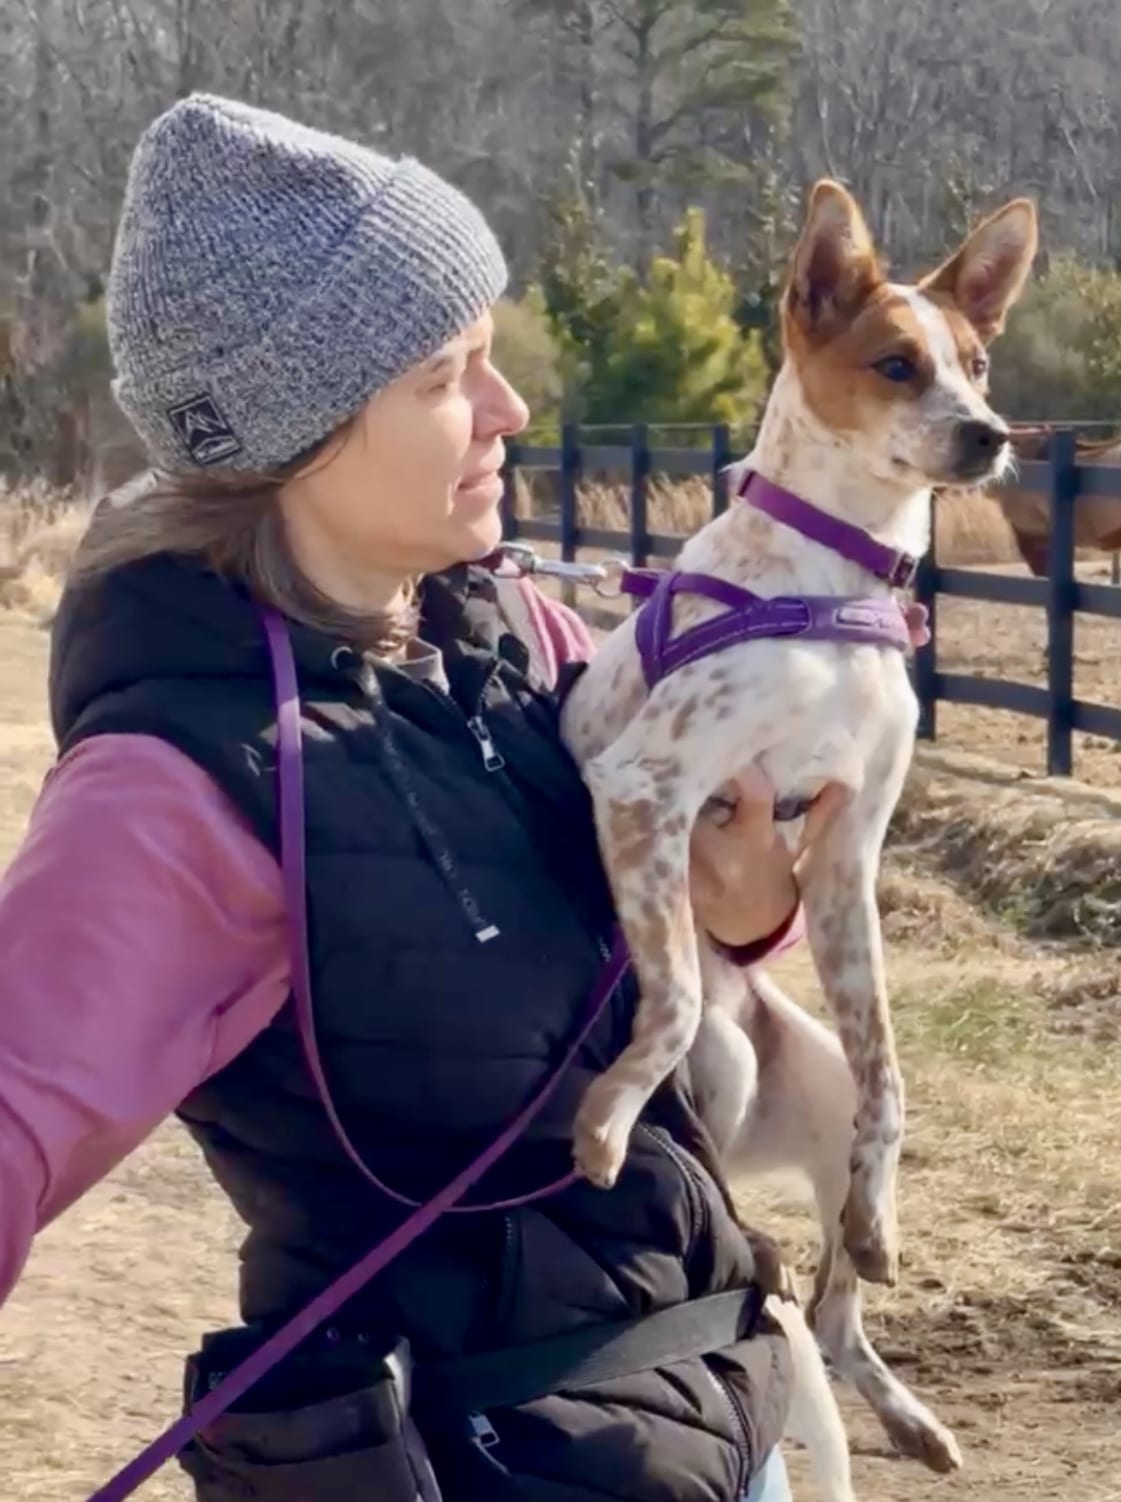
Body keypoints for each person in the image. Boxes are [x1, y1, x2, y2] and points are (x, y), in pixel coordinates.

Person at [0, 95, 847, 1502]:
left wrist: (743, 902)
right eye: (451, 374)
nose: (511, 408)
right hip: (466, 1454)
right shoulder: (178, 788)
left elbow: (692, 925)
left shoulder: (526, 641)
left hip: (706, 1407)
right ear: (301, 429)